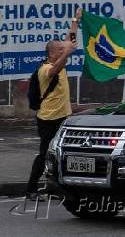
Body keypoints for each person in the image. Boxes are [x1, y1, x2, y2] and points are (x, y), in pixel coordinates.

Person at [26, 13, 78, 200]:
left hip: (63, 117)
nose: (63, 49)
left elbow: (69, 41)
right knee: (44, 154)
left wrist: (75, 21)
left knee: (61, 154)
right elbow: (56, 68)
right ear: (51, 54)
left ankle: (55, 188)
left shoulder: (60, 60)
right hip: (48, 119)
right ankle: (31, 189)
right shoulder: (45, 69)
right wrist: (68, 52)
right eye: (59, 49)